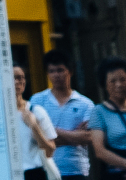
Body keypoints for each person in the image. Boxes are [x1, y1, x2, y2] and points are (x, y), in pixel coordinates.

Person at [30, 50, 97, 179]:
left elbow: (90, 137)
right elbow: (34, 136)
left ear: (70, 71)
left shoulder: (86, 104)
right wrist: (75, 136)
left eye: (60, 70)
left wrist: (50, 132)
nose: (56, 75)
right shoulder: (37, 101)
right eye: (51, 71)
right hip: (46, 169)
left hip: (76, 170)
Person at [84, 57, 126, 180]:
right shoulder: (99, 112)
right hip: (117, 176)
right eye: (113, 81)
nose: (119, 85)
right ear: (105, 84)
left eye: (123, 79)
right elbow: (99, 151)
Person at [6, 64, 60, 180]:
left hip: (34, 173)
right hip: (7, 173)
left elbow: (50, 150)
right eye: (12, 77)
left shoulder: (36, 111)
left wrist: (34, 126)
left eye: (20, 77)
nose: (17, 81)